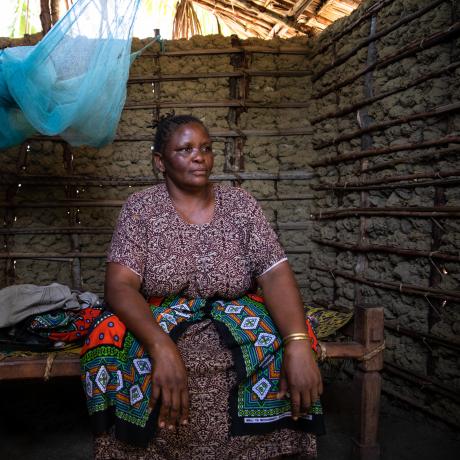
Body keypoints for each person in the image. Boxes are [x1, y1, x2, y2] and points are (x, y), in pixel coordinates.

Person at [80, 114, 324, 459]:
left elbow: (274, 273)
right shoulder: (142, 209)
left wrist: (297, 343)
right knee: (114, 341)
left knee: (284, 342)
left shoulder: (241, 205)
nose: (200, 156)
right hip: (161, 316)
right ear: (160, 162)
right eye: (186, 149)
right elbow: (120, 286)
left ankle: (268, 448)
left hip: (233, 314)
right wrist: (161, 346)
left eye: (206, 148)